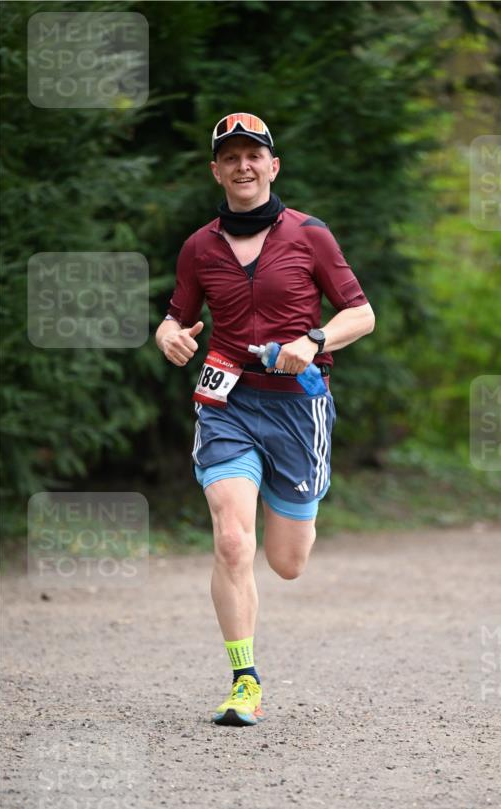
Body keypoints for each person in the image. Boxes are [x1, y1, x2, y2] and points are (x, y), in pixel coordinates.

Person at [155, 112, 375, 726]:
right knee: (231, 539)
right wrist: (168, 334)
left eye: (254, 155)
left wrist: (314, 336)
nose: (243, 166)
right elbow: (177, 315)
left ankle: (300, 505)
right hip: (228, 404)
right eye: (231, 157)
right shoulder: (200, 246)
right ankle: (243, 679)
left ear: (273, 167)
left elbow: (362, 315)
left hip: (299, 408)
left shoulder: (309, 235)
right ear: (217, 171)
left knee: (286, 561)